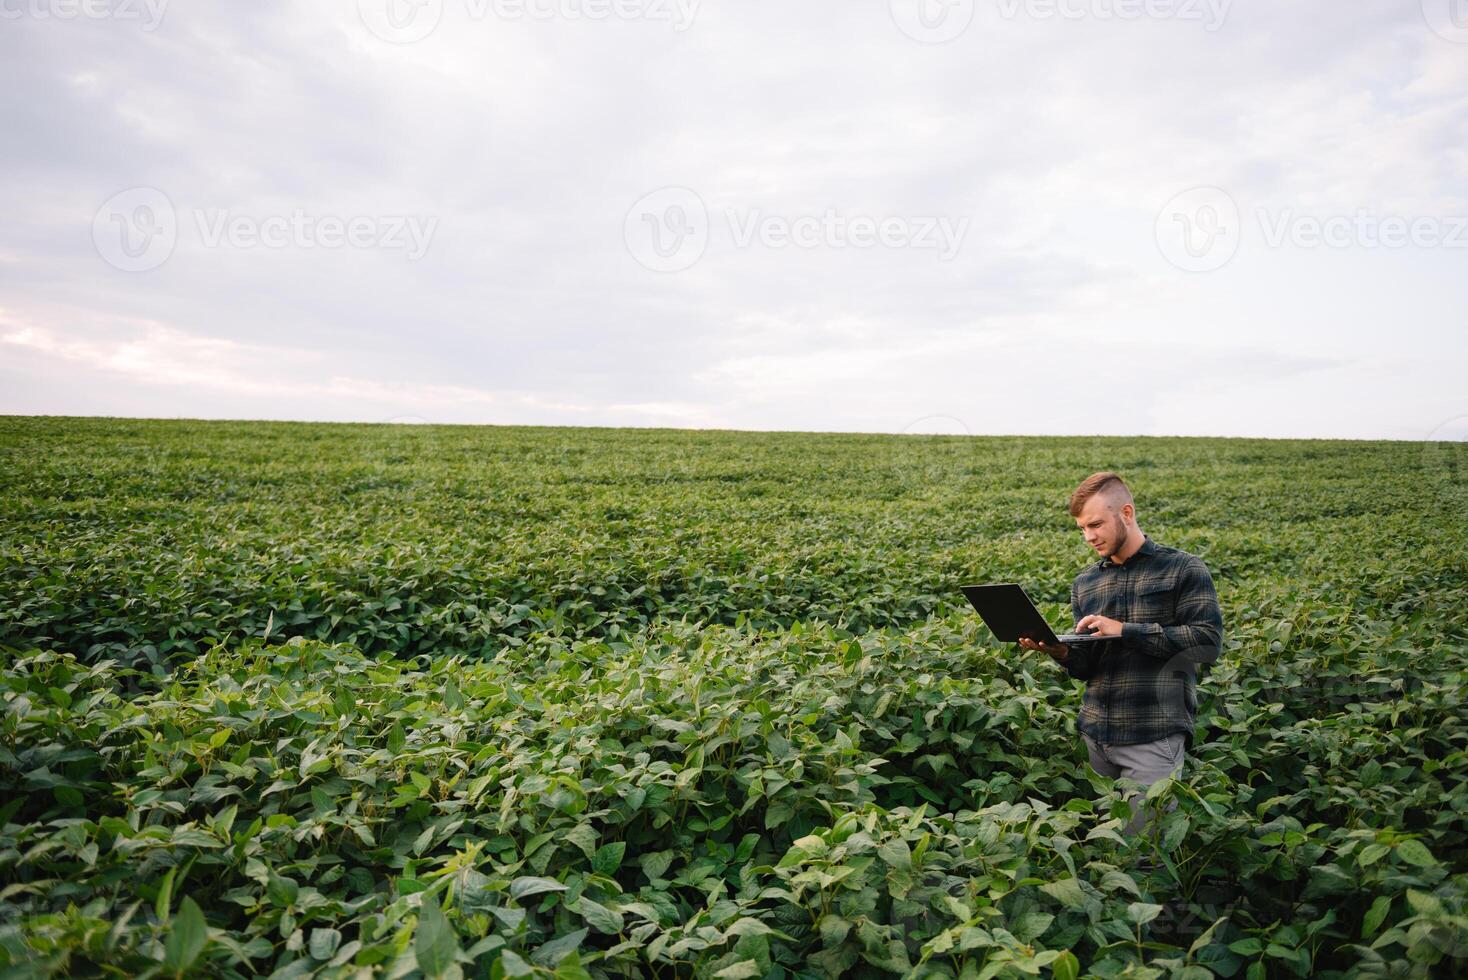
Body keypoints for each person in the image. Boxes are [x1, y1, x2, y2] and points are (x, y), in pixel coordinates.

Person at [1019, 471, 1223, 834]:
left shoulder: (1183, 569)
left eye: (1095, 524)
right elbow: (1088, 666)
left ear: (1126, 513)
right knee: (1104, 847)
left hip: (1153, 735)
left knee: (1145, 854)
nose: (1089, 536)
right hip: (1095, 736)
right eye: (1082, 528)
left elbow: (1206, 642)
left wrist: (1126, 630)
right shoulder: (1086, 583)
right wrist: (1061, 651)